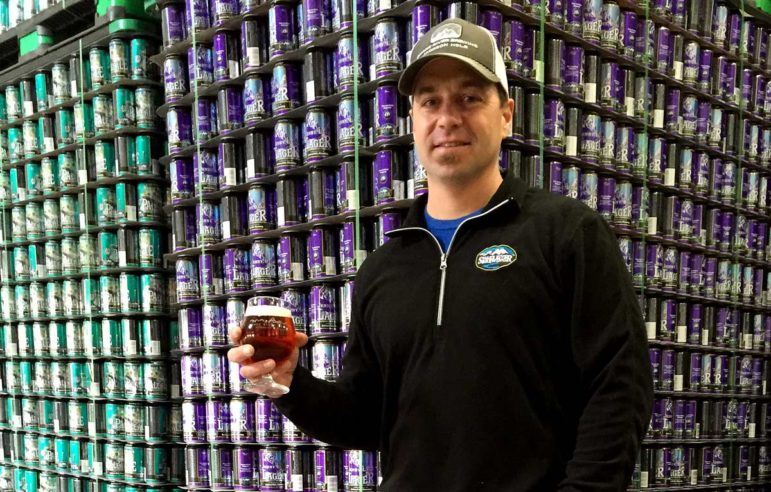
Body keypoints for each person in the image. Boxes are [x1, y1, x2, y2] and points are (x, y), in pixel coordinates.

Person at [228, 18, 653, 491]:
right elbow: (365, 419)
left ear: (506, 113)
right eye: (430, 100)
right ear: (414, 120)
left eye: (469, 98)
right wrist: (289, 384)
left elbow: (620, 387)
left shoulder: (566, 233)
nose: (447, 117)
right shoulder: (384, 267)